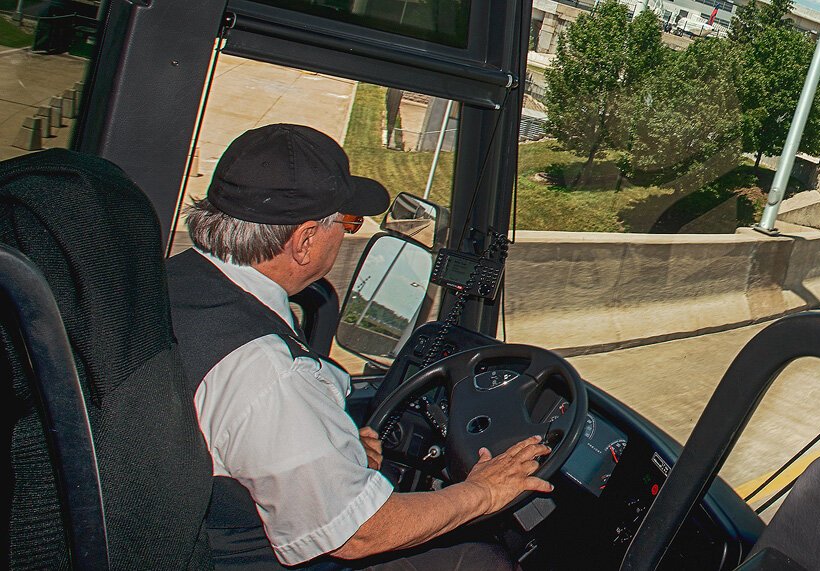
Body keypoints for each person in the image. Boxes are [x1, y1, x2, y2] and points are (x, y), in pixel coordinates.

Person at [167, 124, 549, 569]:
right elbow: (358, 532)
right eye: (347, 224)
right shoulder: (265, 369)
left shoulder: (176, 281)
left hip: (189, 532)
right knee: (482, 561)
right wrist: (482, 492)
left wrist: (336, 452)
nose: (348, 234)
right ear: (305, 240)